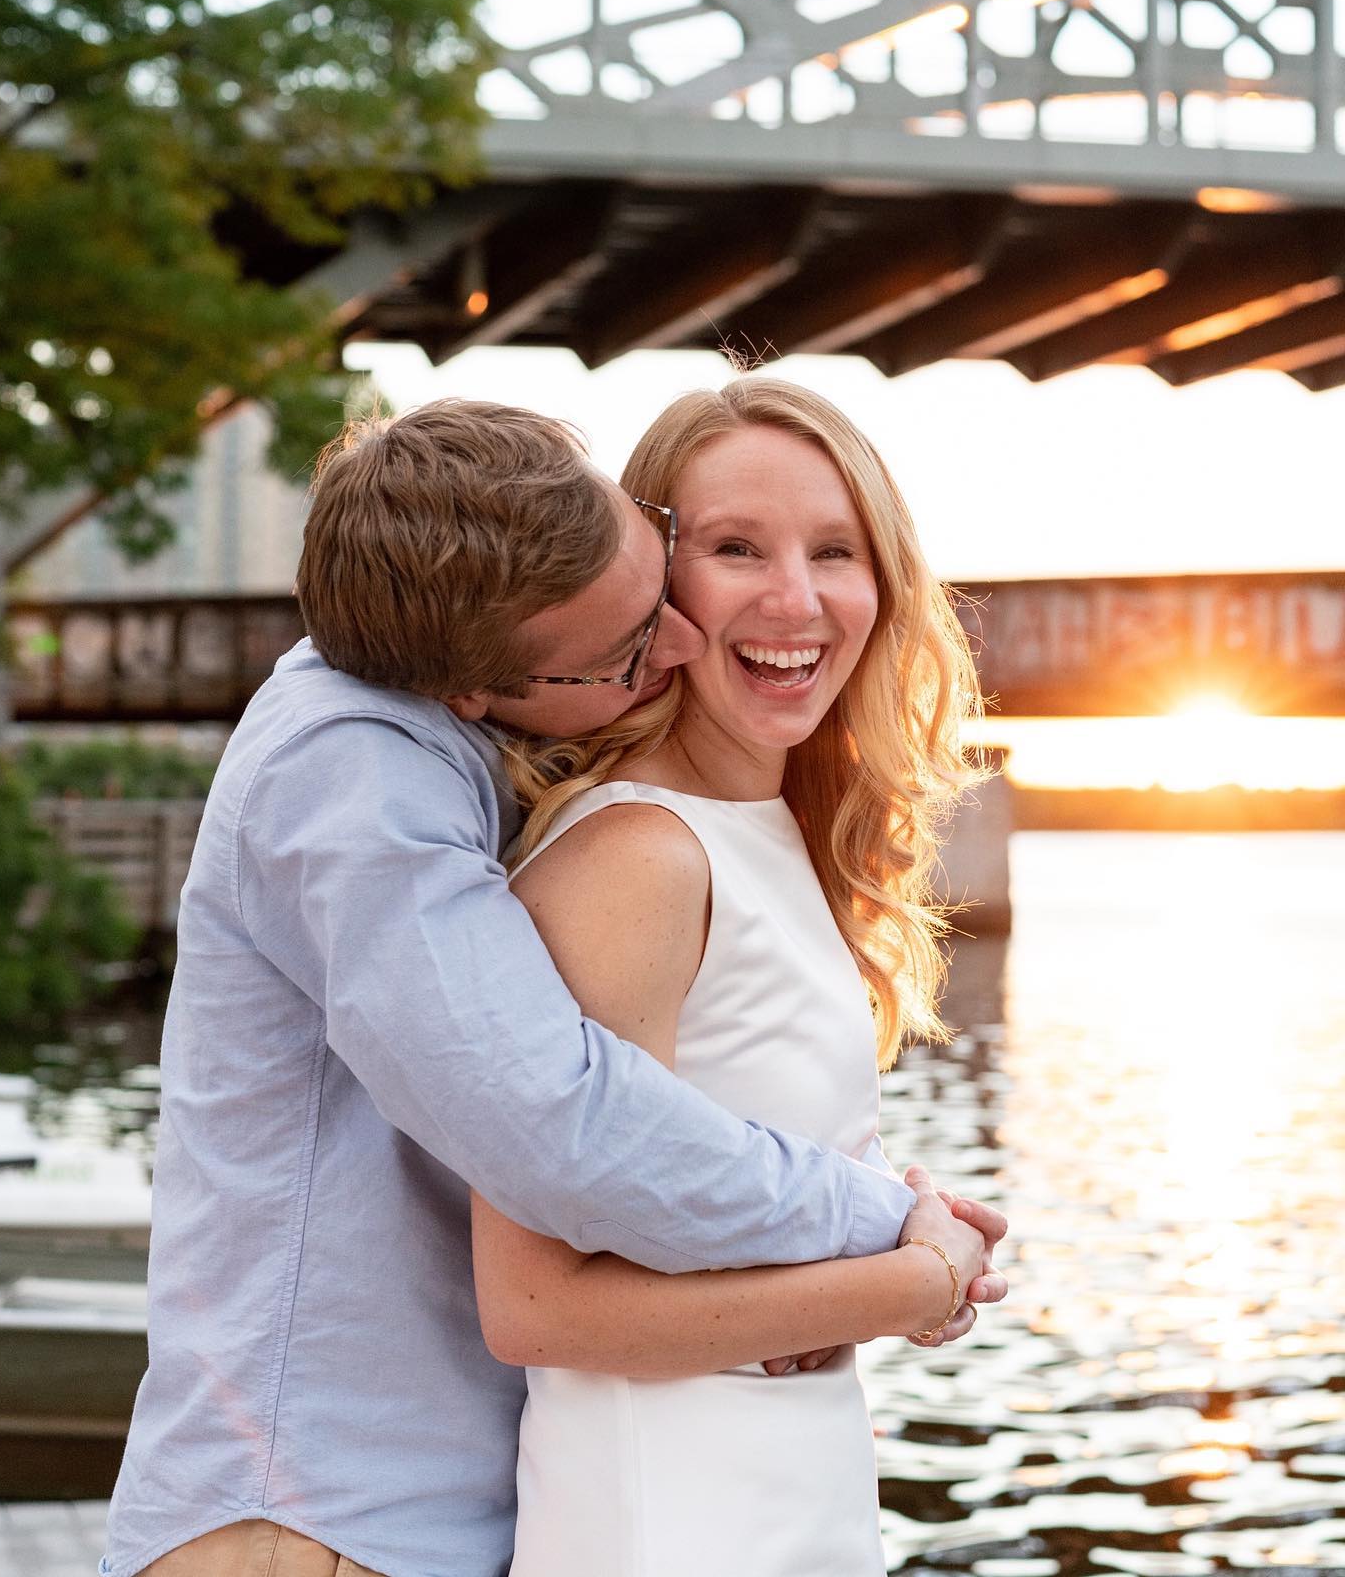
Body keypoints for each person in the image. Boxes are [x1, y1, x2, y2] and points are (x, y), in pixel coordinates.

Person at [102, 399, 1005, 1577]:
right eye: (636, 640)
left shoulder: (509, 758)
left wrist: (883, 1229)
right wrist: (900, 1254)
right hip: (310, 1523)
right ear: (481, 683)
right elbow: (558, 1127)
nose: (674, 642)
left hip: (449, 1507)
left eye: (838, 548)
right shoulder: (360, 780)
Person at [472, 377, 990, 1576]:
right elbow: (539, 1306)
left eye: (836, 551)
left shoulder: (764, 832)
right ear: (652, 584)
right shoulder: (640, 857)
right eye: (734, 548)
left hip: (780, 1501)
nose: (796, 599)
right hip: (670, 1518)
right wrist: (909, 1282)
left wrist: (886, 1223)